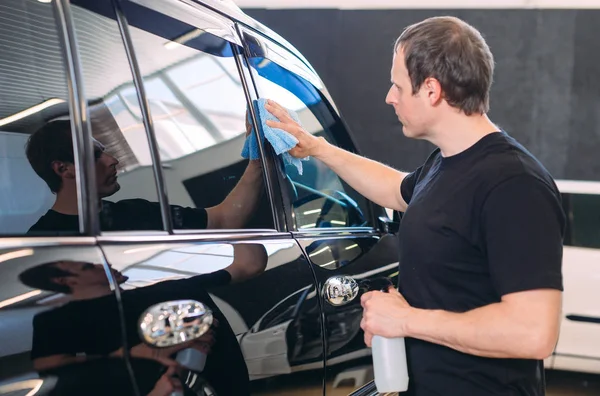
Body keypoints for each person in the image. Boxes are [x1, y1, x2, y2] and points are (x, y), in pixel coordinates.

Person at [265, 16, 564, 396]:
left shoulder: (513, 184)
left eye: (397, 85)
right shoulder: (445, 163)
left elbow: (532, 333)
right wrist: (316, 147)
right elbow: (395, 189)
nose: (390, 96)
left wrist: (406, 321)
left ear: (432, 90)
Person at [19, 244, 267, 395]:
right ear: (64, 281)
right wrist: (135, 353)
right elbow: (49, 367)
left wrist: (224, 222)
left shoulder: (169, 288)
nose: (101, 263)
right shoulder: (56, 321)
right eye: (87, 266)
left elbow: (249, 265)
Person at [25, 119, 263, 234]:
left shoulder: (137, 212)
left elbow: (222, 220)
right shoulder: (44, 241)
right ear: (64, 169)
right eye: (96, 155)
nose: (112, 160)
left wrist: (259, 161)